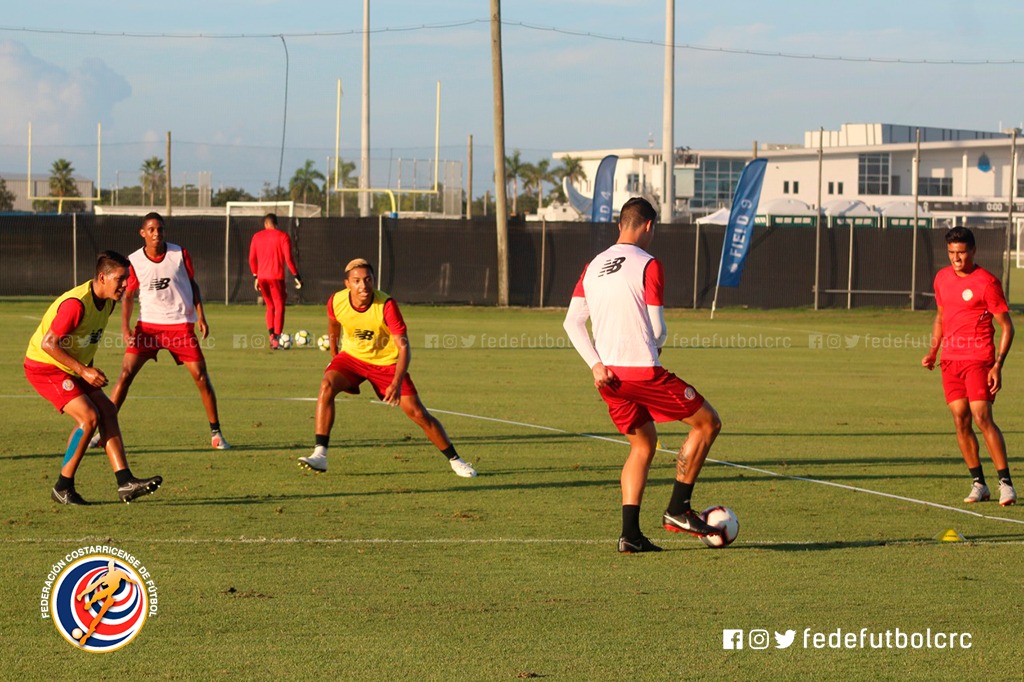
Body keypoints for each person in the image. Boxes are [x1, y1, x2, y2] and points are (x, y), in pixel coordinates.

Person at [563, 197, 723, 553]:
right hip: (642, 373)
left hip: (609, 379)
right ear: (649, 225)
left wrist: (595, 364)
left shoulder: (593, 265)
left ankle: (630, 536)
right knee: (708, 422)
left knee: (643, 444)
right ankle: (678, 509)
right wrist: (657, 345)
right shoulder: (649, 264)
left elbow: (572, 322)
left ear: (621, 224)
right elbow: (656, 326)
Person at [298, 258, 476, 478]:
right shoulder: (336, 301)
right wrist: (334, 359)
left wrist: (397, 381)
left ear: (373, 280)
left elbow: (404, 348)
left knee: (417, 413)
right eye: (357, 281)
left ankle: (455, 460)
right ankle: (320, 454)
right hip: (352, 358)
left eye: (368, 279)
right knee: (326, 386)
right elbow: (334, 327)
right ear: (347, 284)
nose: (363, 285)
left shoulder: (386, 305)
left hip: (387, 363)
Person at [24, 251, 162, 506]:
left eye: (127, 279)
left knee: (107, 410)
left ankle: (125, 482)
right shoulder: (76, 304)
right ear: (102, 277)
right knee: (88, 417)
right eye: (121, 279)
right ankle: (62, 487)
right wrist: (84, 371)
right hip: (45, 366)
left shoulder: (108, 301)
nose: (126, 284)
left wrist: (88, 369)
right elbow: (48, 343)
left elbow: (86, 339)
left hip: (73, 366)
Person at [100, 212, 231, 450]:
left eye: (160, 229)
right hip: (148, 327)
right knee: (125, 374)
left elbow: (193, 285)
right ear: (143, 233)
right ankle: (103, 433)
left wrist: (201, 316)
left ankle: (216, 433)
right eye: (151, 229)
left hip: (180, 325)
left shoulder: (179, 254)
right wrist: (125, 326)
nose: (156, 233)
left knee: (201, 377)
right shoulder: (134, 261)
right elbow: (128, 296)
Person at [922, 226, 1016, 506]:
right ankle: (979, 483)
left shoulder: (987, 282)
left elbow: (1007, 327)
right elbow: (941, 316)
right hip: (950, 360)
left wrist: (998, 364)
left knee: (981, 416)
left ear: (973, 251)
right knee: (960, 418)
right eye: (951, 253)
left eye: (961, 252)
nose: (956, 258)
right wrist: (933, 350)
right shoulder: (941, 278)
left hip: (978, 358)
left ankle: (1006, 484)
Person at [248, 212, 302, 349]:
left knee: (270, 306)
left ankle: (271, 335)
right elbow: (288, 259)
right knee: (279, 306)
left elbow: (251, 259)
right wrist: (296, 275)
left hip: (262, 277)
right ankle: (277, 339)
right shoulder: (283, 236)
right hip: (276, 277)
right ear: (276, 224)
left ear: (266, 224)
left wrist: (255, 276)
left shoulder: (257, 236)